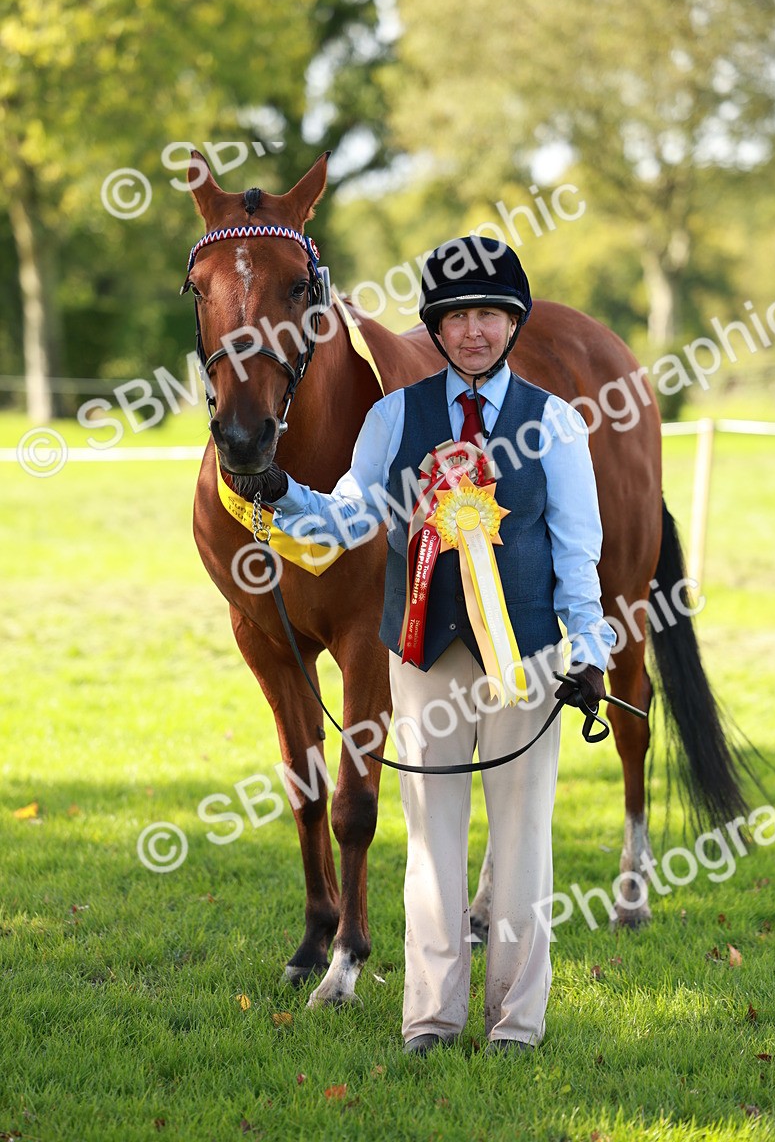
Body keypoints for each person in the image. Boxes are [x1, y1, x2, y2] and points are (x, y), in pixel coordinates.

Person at [259, 236, 615, 1055]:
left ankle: (518, 1020)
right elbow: (350, 519)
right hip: (421, 657)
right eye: (457, 318)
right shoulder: (395, 419)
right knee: (431, 840)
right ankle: (431, 1014)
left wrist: (589, 649)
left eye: (490, 315)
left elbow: (576, 549)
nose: (474, 332)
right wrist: (282, 493)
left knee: (524, 839)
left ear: (513, 323)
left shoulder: (554, 423)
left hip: (526, 657)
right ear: (439, 327)